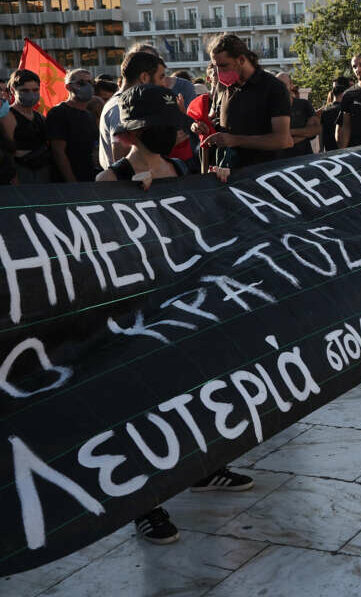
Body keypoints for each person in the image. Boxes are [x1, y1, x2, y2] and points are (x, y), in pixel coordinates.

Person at [96, 83, 255, 544]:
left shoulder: (186, 169)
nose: (170, 136)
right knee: (143, 404)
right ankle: (145, 504)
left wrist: (215, 190)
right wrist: (129, 205)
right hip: (139, 313)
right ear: (129, 136)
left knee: (196, 389)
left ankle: (202, 468)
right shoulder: (111, 182)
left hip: (187, 301)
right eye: (158, 130)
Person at [199, 33, 293, 170]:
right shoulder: (223, 86)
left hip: (263, 173)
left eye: (224, 66)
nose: (218, 73)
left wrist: (235, 140)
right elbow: (224, 124)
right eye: (215, 66)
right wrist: (204, 127)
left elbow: (283, 140)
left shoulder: (273, 87)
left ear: (241, 59)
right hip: (227, 172)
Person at [47, 68, 100, 182]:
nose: (88, 86)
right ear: (68, 87)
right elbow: (58, 152)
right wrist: (72, 182)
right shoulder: (58, 113)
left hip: (90, 177)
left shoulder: (89, 115)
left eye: (91, 83)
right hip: (68, 182)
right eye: (81, 83)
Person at [6, 69, 51, 184]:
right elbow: (6, 152)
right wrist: (13, 177)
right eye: (25, 90)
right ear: (13, 90)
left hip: (42, 172)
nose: (31, 94)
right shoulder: (7, 116)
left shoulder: (40, 117)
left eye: (35, 90)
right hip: (18, 174)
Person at [277, 72, 320, 157]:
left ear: (291, 85)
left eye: (284, 85)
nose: (280, 88)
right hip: (280, 161)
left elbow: (315, 130)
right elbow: (276, 138)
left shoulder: (304, 105)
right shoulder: (270, 108)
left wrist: (289, 132)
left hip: (305, 158)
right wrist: (304, 133)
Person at [319, 77, 347, 152]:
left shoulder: (325, 110)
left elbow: (321, 131)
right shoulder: (345, 110)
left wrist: (321, 148)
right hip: (342, 148)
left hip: (329, 148)